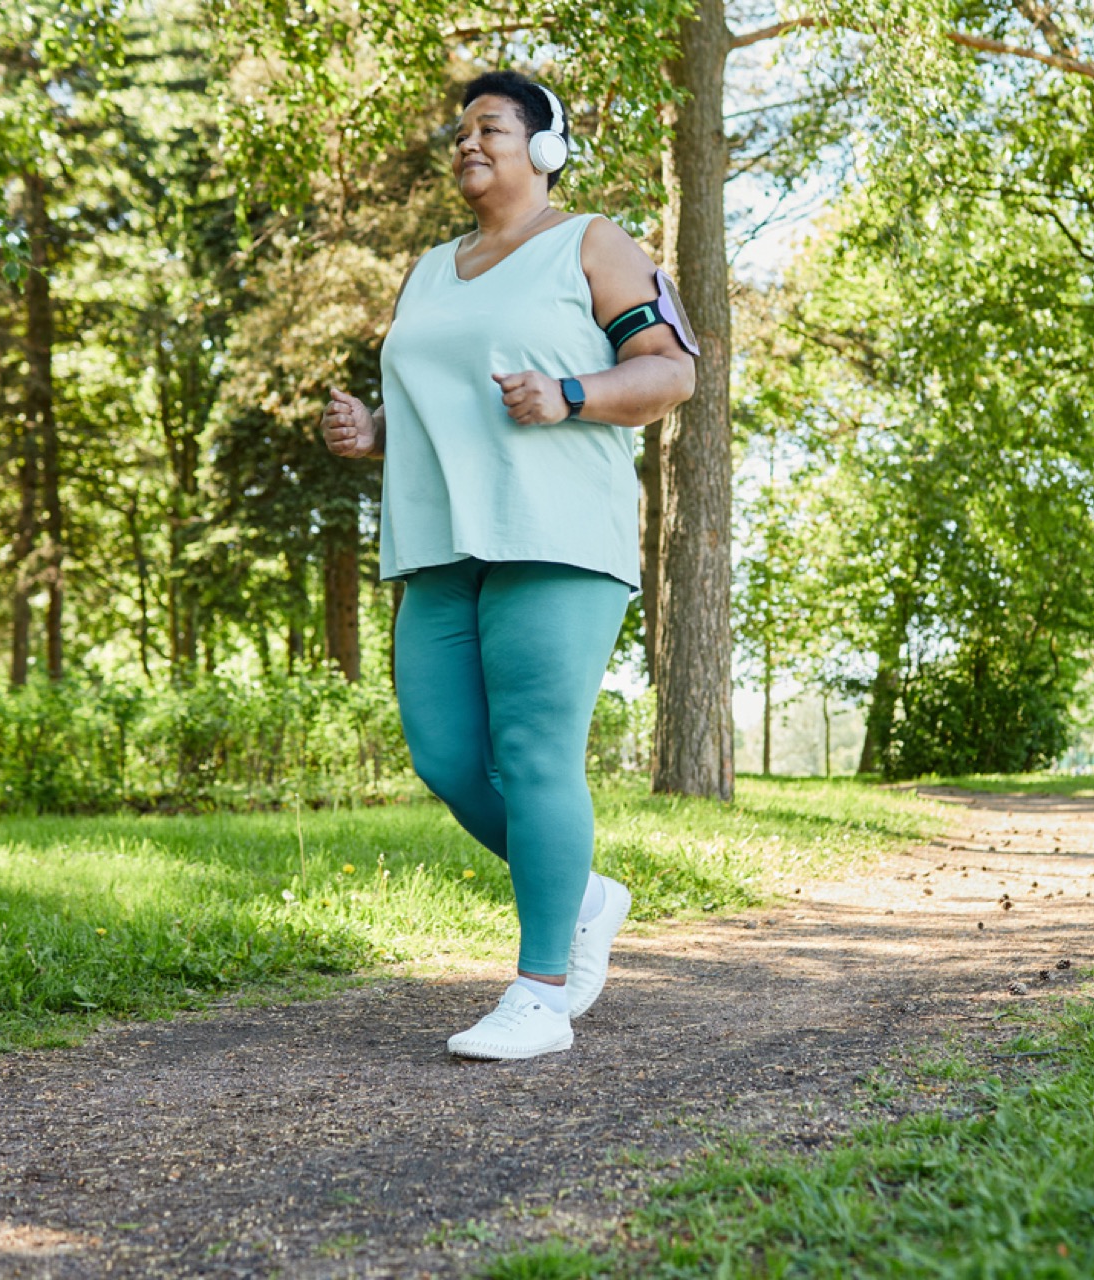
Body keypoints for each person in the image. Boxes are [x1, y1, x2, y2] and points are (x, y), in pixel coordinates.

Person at [320, 70, 697, 1060]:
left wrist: (570, 393)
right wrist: (374, 430)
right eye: (460, 130)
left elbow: (671, 371)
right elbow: (442, 393)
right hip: (439, 541)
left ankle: (540, 996)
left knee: (534, 753)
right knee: (446, 756)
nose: (467, 142)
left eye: (490, 126)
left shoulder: (592, 242)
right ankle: (583, 896)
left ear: (546, 147)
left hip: (554, 531)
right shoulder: (430, 269)